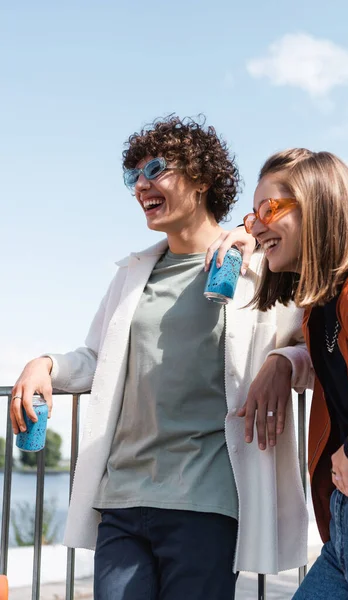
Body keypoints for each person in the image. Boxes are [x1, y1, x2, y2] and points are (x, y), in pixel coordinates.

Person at [10, 117, 312, 600]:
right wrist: (42, 365)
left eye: (156, 169)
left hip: (208, 500)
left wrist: (282, 362)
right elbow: (95, 359)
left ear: (202, 180)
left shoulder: (260, 267)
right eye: (134, 176)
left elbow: (309, 349)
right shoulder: (132, 275)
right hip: (123, 498)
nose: (142, 185)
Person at [244, 147, 348, 598]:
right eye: (251, 216)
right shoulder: (323, 307)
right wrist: (283, 359)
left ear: (317, 206)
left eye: (268, 209)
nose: (256, 226)